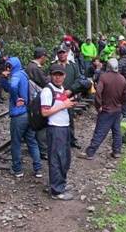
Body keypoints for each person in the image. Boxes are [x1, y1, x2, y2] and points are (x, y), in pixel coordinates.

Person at [39, 64, 77, 200]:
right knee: (57, 159)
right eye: (55, 74)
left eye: (60, 74)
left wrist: (69, 103)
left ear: (64, 76)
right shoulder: (47, 91)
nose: (58, 77)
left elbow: (60, 105)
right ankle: (56, 190)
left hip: (64, 127)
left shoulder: (60, 89)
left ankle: (60, 183)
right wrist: (64, 105)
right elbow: (44, 112)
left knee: (65, 158)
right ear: (51, 76)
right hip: (55, 128)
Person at [0, 57, 42, 178]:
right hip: (28, 114)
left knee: (16, 143)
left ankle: (18, 169)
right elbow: (8, 87)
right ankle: (38, 169)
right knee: (32, 142)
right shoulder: (23, 74)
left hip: (19, 115)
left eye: (9, 66)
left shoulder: (16, 76)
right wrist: (3, 78)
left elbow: (12, 87)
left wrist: (15, 98)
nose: (8, 69)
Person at [80, 58, 126, 160]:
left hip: (106, 110)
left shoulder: (104, 77)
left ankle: (90, 152)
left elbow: (98, 92)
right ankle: (116, 151)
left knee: (100, 131)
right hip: (117, 109)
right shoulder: (122, 79)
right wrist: (121, 104)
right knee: (116, 131)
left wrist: (99, 106)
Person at [55, 44, 83, 149]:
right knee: (56, 117)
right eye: (60, 53)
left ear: (67, 54)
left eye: (64, 52)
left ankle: (71, 139)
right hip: (56, 96)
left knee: (69, 118)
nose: (62, 55)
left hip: (69, 96)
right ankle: (59, 140)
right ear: (57, 54)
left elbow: (79, 79)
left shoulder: (73, 66)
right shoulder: (53, 66)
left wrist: (71, 90)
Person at [26, 47, 51, 160]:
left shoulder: (30, 66)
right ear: (42, 57)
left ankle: (39, 146)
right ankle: (43, 149)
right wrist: (51, 76)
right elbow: (44, 82)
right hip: (36, 98)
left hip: (32, 98)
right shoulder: (35, 68)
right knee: (41, 124)